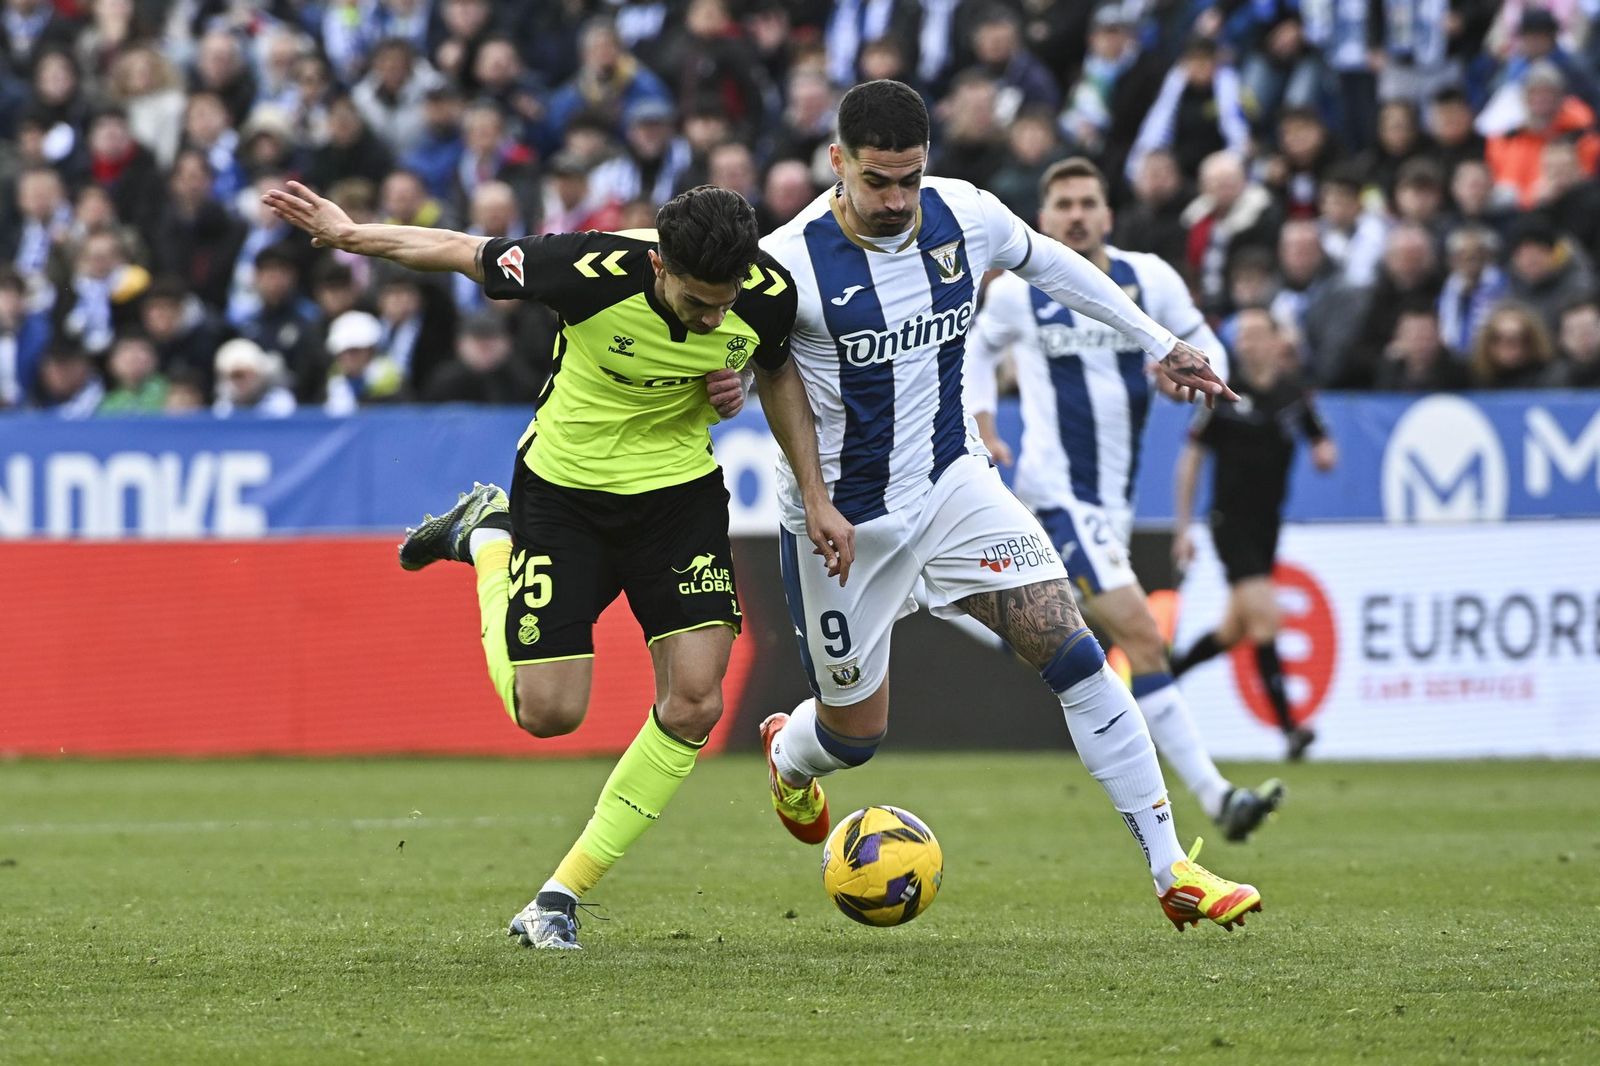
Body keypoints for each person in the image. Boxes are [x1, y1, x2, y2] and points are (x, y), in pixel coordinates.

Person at [261, 180, 851, 950]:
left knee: (696, 703)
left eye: (725, 300)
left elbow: (777, 371)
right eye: (700, 301)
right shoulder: (588, 269)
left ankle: (559, 895)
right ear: (660, 266)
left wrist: (816, 496)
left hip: (677, 499)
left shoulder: (764, 292)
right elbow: (458, 250)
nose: (715, 316)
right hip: (563, 496)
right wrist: (350, 232)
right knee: (548, 712)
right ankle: (487, 539)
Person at [758, 80, 1262, 932]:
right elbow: (766, 378)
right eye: (878, 181)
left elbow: (1051, 262)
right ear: (836, 161)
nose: (897, 200)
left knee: (1074, 652)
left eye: (911, 178)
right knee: (854, 736)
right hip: (842, 522)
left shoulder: (964, 215)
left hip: (955, 486)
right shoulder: (789, 262)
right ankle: (788, 755)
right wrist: (808, 490)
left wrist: (1161, 341)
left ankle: (1172, 868)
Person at [967, 157, 1284, 843]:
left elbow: (1205, 346)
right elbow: (976, 354)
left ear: (1108, 214)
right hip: (1056, 496)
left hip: (1111, 506)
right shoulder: (1021, 293)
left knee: (1059, 635)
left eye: (1088, 202)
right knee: (1142, 637)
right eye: (1063, 205)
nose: (1076, 215)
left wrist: (1191, 378)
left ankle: (942, 602)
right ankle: (1218, 796)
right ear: (1043, 219)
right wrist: (986, 425)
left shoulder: (1150, 279)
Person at [1171, 308, 1338, 761]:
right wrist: (1184, 527)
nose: (1246, 344)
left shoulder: (1292, 396)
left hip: (1268, 527)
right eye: (1240, 337)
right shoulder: (1224, 394)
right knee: (1266, 619)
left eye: (1255, 335)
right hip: (1230, 523)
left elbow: (1321, 439)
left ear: (1274, 341)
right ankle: (1290, 730)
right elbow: (1191, 461)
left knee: (1232, 631)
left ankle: (1159, 682)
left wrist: (1325, 452)